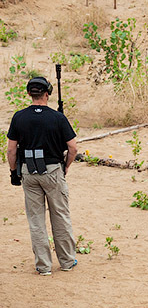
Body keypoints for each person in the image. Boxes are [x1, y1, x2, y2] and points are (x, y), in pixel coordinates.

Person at [6, 76, 78, 275]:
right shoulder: (57, 118)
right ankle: (67, 261)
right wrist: (65, 167)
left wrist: (14, 172)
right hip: (53, 170)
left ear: (29, 93)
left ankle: (43, 265)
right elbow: (72, 148)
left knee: (36, 220)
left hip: (29, 172)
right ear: (48, 93)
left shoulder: (19, 117)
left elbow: (11, 151)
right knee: (60, 216)